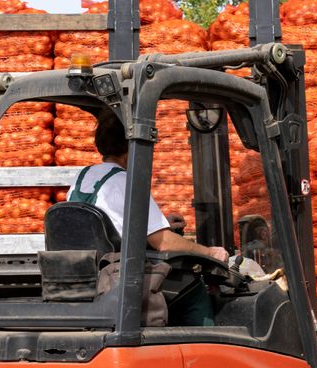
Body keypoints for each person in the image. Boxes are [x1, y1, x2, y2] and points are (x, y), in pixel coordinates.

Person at [66, 111, 228, 326]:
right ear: (131, 146)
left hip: (89, 275)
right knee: (194, 288)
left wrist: (161, 224)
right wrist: (210, 252)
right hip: (122, 279)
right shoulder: (126, 181)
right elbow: (163, 243)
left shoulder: (83, 178)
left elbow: (106, 224)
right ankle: (208, 347)